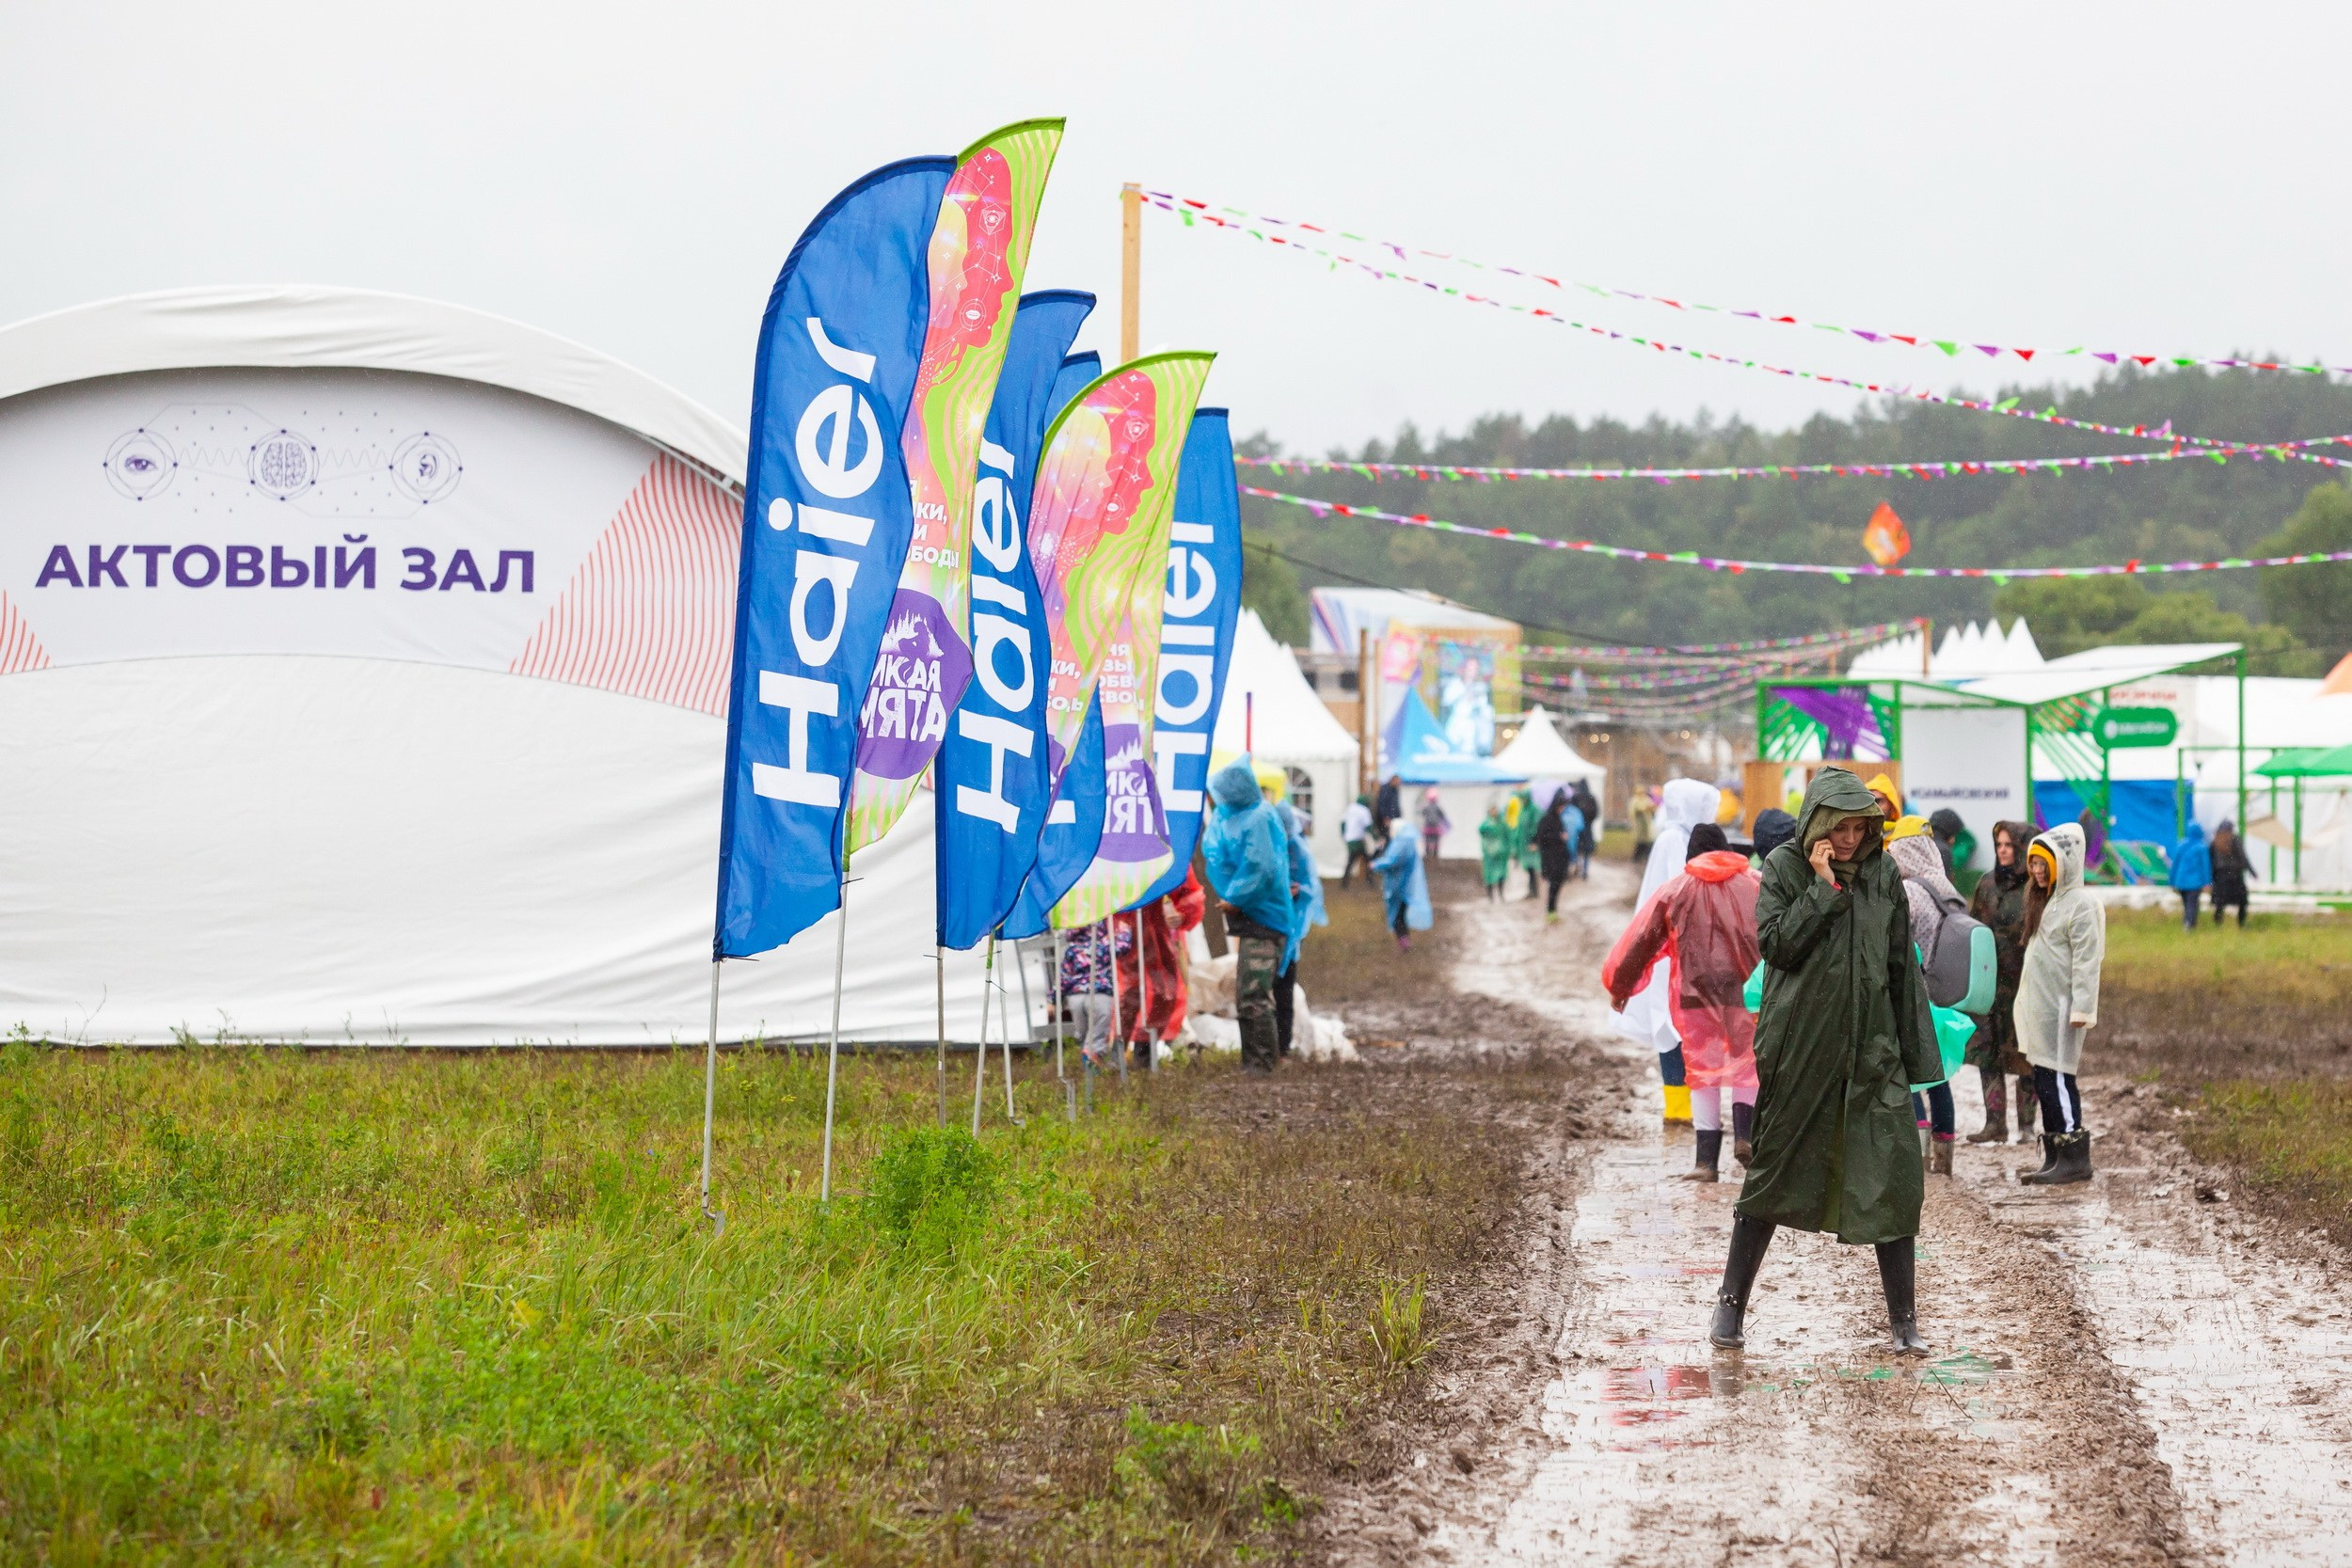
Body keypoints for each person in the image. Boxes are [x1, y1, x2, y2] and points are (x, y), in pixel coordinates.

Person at [1708, 768, 1940, 1356]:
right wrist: (1822, 887)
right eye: (1841, 828)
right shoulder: (1785, 867)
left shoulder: (1883, 872)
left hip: (1873, 1049)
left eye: (1861, 828)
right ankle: (1730, 1307)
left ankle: (1904, 1321)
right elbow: (1778, 946)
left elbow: (1899, 966)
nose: (1851, 839)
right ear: (1817, 824)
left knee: (1894, 1175)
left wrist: (1914, 1055)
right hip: (1803, 1049)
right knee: (1773, 1172)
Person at [1604, 821, 1761, 1182]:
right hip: (1745, 993)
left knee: (1702, 1072)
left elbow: (1642, 940)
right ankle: (1746, 1135)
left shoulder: (1675, 890)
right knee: (1747, 1063)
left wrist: (1622, 986)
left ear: (1690, 855)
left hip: (1694, 995)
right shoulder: (1757, 883)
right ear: (1726, 849)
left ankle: (1705, 1162)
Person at [1615, 779, 1721, 1127]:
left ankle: (1686, 1106)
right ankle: (1678, 1108)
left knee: (1684, 1024)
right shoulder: (1675, 841)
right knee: (1672, 1024)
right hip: (1672, 948)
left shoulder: (1676, 838)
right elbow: (1682, 890)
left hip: (1679, 947)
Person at [2015, 824, 2105, 1185]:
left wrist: (2082, 1008)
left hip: (2063, 1009)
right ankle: (2055, 1153)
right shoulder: (2048, 900)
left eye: (2044, 864)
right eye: (2034, 864)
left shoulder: (2082, 905)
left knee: (2059, 1080)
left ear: (2064, 863)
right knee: (2043, 1078)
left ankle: (2074, 1154)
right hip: (2042, 1008)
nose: (2037, 871)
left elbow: (2087, 961)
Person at [1200, 760, 1297, 1073]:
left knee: (1254, 996)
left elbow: (1261, 867)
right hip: (1256, 921)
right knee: (1247, 995)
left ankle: (1262, 1064)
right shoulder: (1245, 815)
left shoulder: (1257, 818)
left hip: (1265, 922)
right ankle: (1254, 1062)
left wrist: (1236, 898)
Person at [1887, 820, 1964, 1175]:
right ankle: (1944, 1159)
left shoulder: (1909, 891)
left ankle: (1917, 1159)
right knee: (1939, 1077)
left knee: (1909, 1076)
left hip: (1914, 995)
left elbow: (1894, 938)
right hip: (1944, 994)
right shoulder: (1944, 885)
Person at [1965, 822, 2039, 1146]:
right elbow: (1974, 927)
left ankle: (2027, 1125)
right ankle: (1994, 1123)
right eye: (1999, 845)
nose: (2003, 850)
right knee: (1987, 1050)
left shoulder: (2034, 887)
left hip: (2023, 983)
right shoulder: (1987, 884)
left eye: (2010, 845)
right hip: (1989, 983)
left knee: (2025, 1052)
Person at [1276, 795, 1327, 1056]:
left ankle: (1282, 1045)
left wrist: (1294, 891)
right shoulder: (1277, 845)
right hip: (1275, 922)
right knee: (1275, 986)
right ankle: (1276, 1042)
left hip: (1292, 924)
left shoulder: (1296, 848)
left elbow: (1308, 887)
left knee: (1284, 984)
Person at [1058, 919, 1132, 1067]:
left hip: (1076, 997)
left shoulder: (1071, 950)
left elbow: (1063, 977)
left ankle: (1088, 1061)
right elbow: (1123, 946)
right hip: (1099, 994)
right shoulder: (1104, 946)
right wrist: (1125, 931)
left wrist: (1052, 1000)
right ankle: (1094, 1055)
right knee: (1099, 1030)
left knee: (1084, 1033)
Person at [1370, 826, 1431, 950]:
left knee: (1397, 915)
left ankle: (1404, 942)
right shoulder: (1409, 843)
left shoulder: (1400, 844)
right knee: (1401, 914)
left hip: (1397, 885)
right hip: (1406, 885)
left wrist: (1376, 864)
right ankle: (1404, 940)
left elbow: (1392, 860)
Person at [1534, 790, 1578, 921]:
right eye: (1561, 806)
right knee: (1553, 885)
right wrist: (1559, 836)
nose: (1562, 809)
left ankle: (1553, 911)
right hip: (1551, 858)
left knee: (1557, 885)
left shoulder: (1558, 819)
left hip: (1560, 858)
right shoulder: (1546, 819)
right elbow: (1542, 837)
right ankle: (1551, 912)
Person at [2209, 819, 2254, 927]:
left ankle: (2217, 923)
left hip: (2220, 876)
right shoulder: (2235, 840)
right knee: (2242, 901)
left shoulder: (2215, 842)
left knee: (2220, 902)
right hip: (2235, 875)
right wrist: (2251, 871)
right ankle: (2241, 923)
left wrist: (2211, 877)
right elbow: (2242, 857)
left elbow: (2211, 861)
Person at [2169, 818, 2212, 933]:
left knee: (2186, 904)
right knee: (2192, 904)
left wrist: (2172, 881)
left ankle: (2188, 923)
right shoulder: (2202, 847)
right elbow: (2205, 866)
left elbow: (2175, 865)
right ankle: (2189, 924)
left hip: (2181, 881)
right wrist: (2207, 882)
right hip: (2195, 882)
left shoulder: (2181, 845)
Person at [1928, 808, 1974, 879]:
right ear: (1949, 831)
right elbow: (1944, 883)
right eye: (1954, 834)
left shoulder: (1923, 842)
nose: (1953, 840)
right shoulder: (1943, 851)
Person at [1478, 802, 1511, 901]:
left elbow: (1507, 836)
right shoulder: (1486, 823)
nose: (1494, 812)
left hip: (1501, 853)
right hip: (1489, 854)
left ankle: (1501, 894)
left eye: (1496, 810)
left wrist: (1508, 849)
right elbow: (1481, 832)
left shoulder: (1502, 823)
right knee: (1489, 875)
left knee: (1501, 874)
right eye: (1493, 810)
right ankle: (1490, 895)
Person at [1341, 793, 1375, 887]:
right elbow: (1369, 826)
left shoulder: (1350, 808)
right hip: (1358, 839)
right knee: (1366, 859)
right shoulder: (1364, 810)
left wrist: (1344, 835)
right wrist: (1376, 837)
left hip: (1349, 839)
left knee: (1352, 860)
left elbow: (1342, 823)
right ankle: (1369, 880)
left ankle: (1344, 882)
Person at [1572, 780, 1602, 878]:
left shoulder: (1576, 797)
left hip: (1577, 829)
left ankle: (1578, 868)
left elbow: (1572, 811)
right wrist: (1589, 820)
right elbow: (1596, 812)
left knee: (1578, 849)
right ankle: (1585, 870)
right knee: (1586, 851)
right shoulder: (1591, 798)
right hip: (1588, 828)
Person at [1419, 788, 1452, 868]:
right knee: (1436, 842)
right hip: (1436, 828)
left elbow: (1423, 814)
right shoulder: (1438, 807)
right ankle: (1435, 856)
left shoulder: (1426, 807)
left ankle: (1427, 856)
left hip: (1427, 828)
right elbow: (1442, 816)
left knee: (1427, 842)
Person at [1629, 787, 1657, 863]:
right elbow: (1636, 810)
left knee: (1647, 841)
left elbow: (1652, 808)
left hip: (1646, 823)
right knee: (1640, 841)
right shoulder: (1635, 800)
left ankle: (1645, 856)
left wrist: (1652, 808)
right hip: (1639, 823)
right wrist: (1645, 808)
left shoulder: (1646, 799)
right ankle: (1637, 857)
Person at [1374, 773, 1404, 838]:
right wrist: (1385, 817)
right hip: (1387, 820)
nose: (1398, 783)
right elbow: (1382, 804)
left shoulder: (1395, 790)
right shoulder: (1385, 790)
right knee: (1387, 836)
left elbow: (1395, 805)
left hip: (1394, 819)